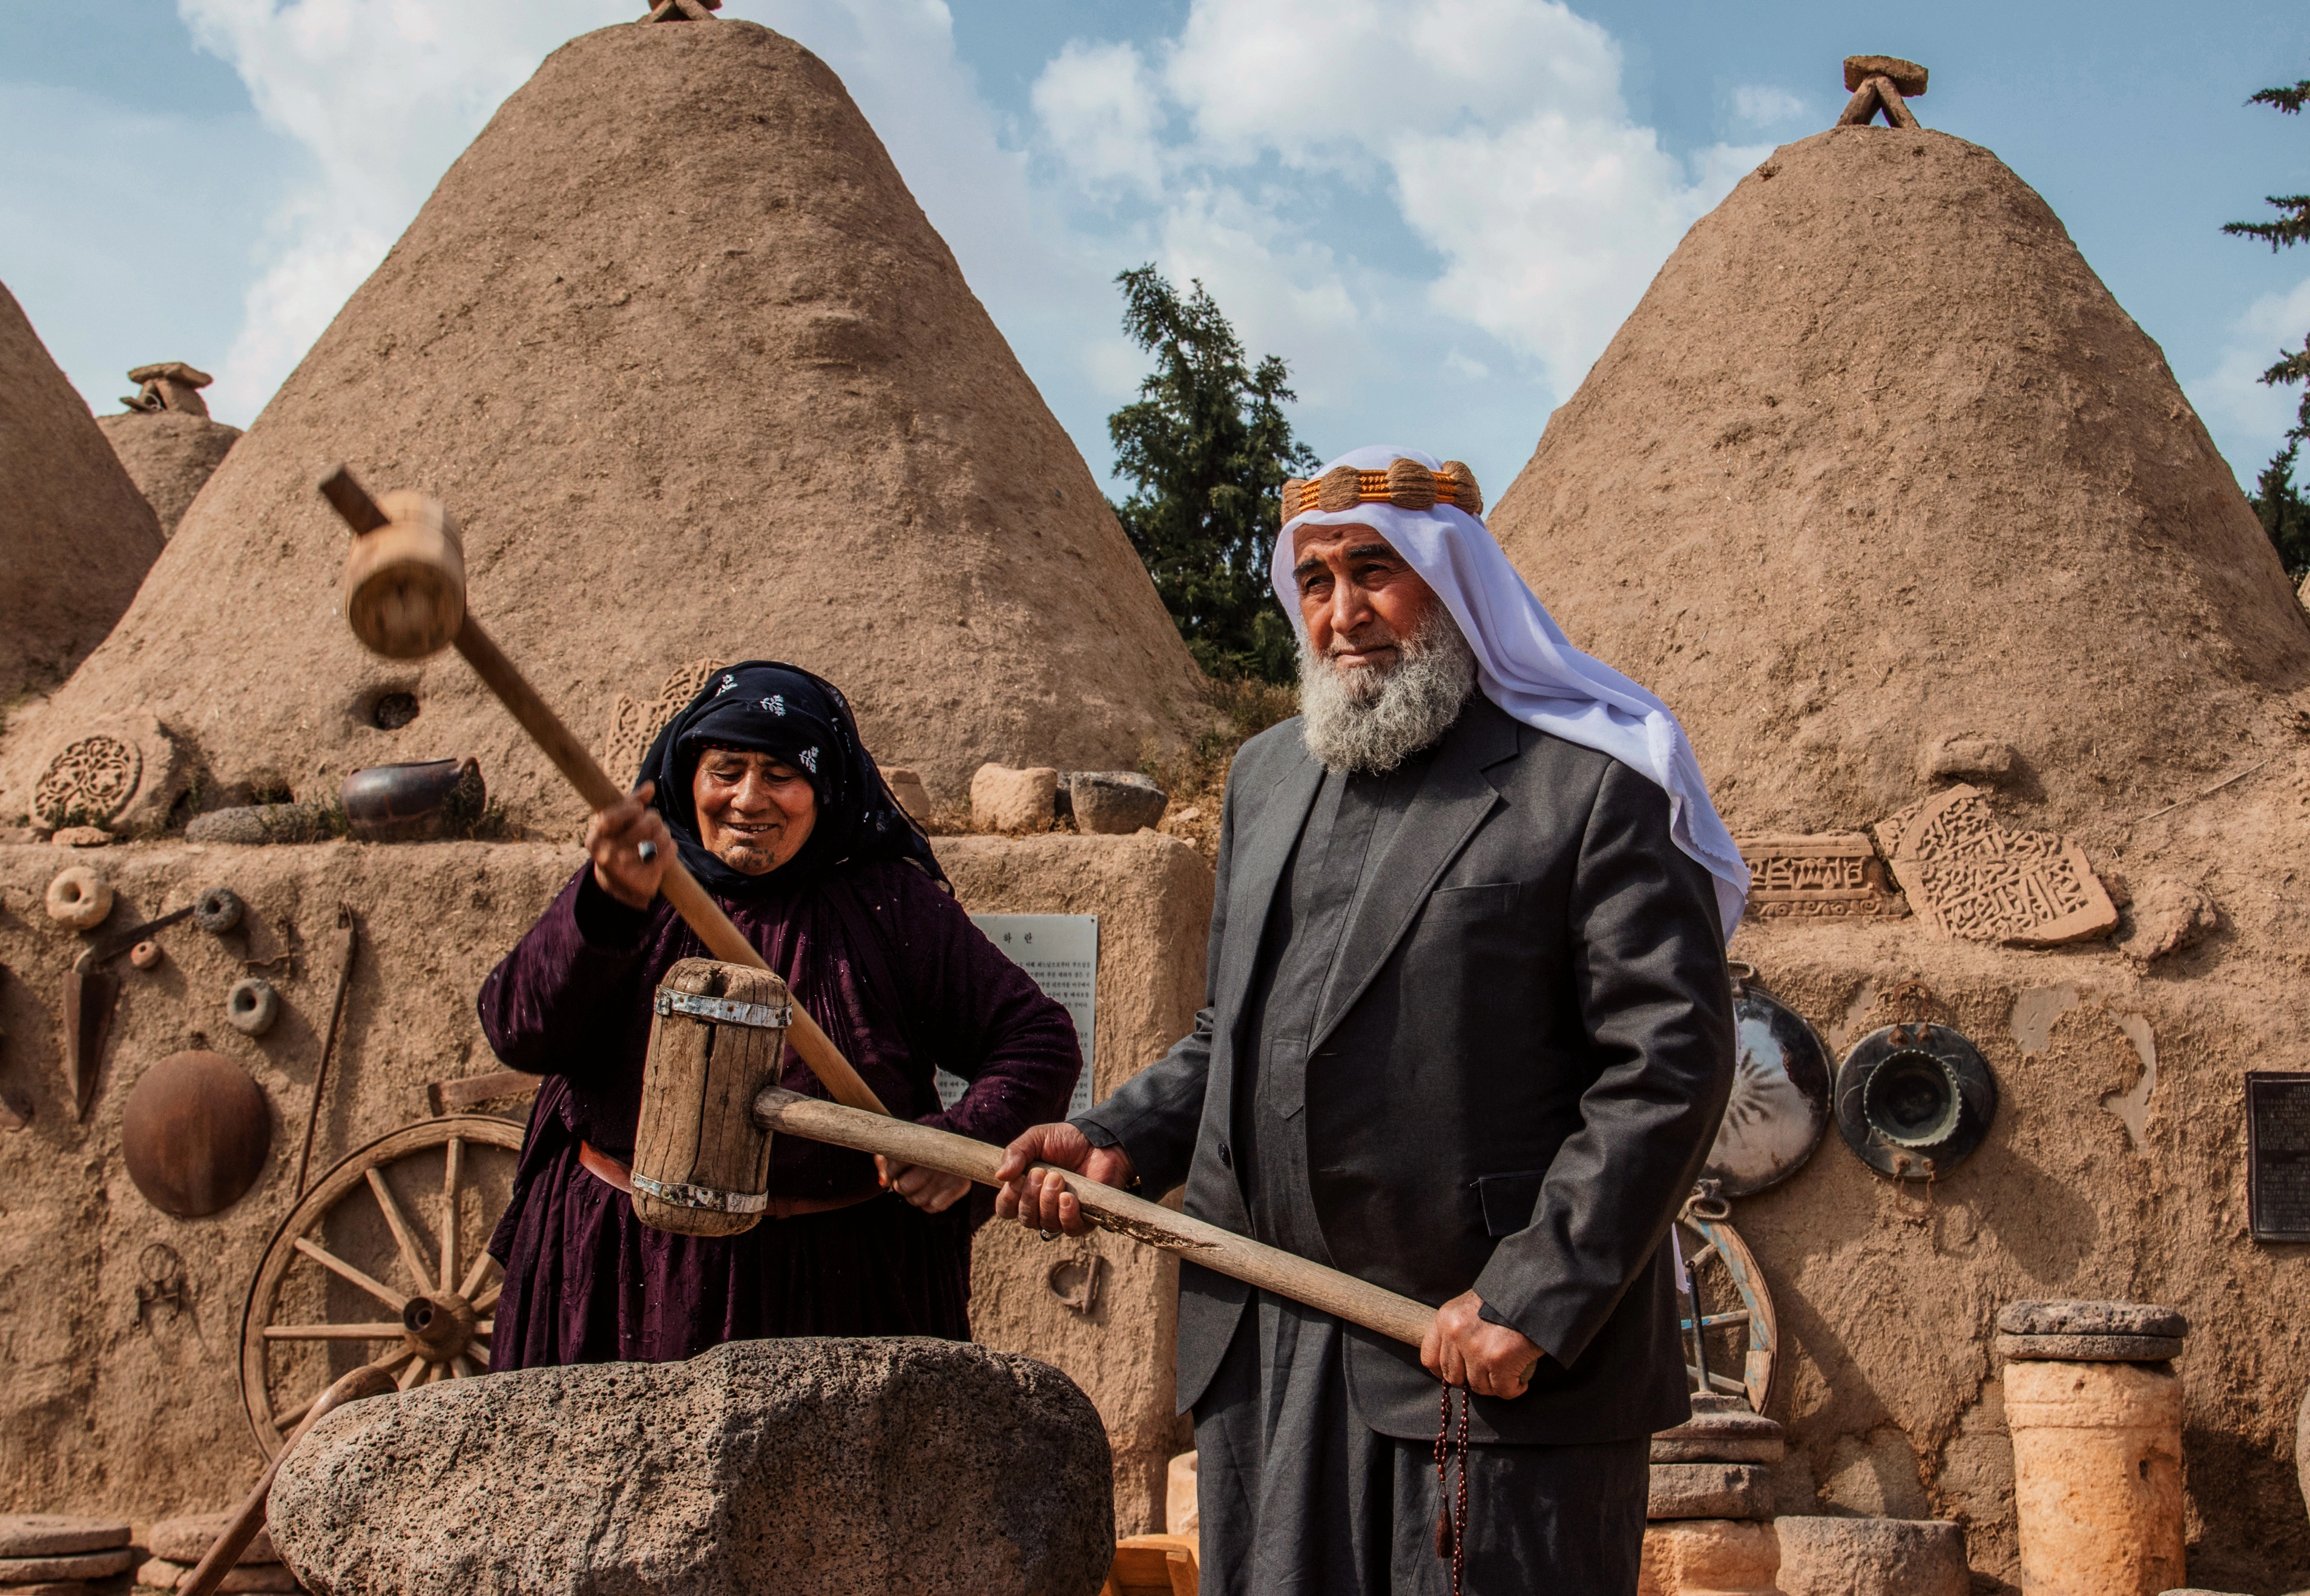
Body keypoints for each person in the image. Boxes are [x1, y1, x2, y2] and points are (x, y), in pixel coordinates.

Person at [993, 448, 1747, 1596]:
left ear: (1457, 582)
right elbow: (1235, 1032)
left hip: (1479, 1361)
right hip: (1270, 1352)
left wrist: (1534, 1294)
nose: (1341, 613)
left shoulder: (1592, 783)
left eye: (1373, 573)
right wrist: (1117, 1138)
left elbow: (1667, 1066)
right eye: (1314, 580)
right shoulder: (1266, 777)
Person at [479, 660, 1081, 1366]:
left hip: (834, 1290)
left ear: (823, 787)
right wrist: (606, 904)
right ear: (689, 777)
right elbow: (518, 1031)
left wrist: (960, 1145)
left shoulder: (887, 905)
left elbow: (1036, 1039)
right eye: (726, 770)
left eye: (780, 775)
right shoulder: (636, 882)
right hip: (621, 1275)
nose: (747, 799)